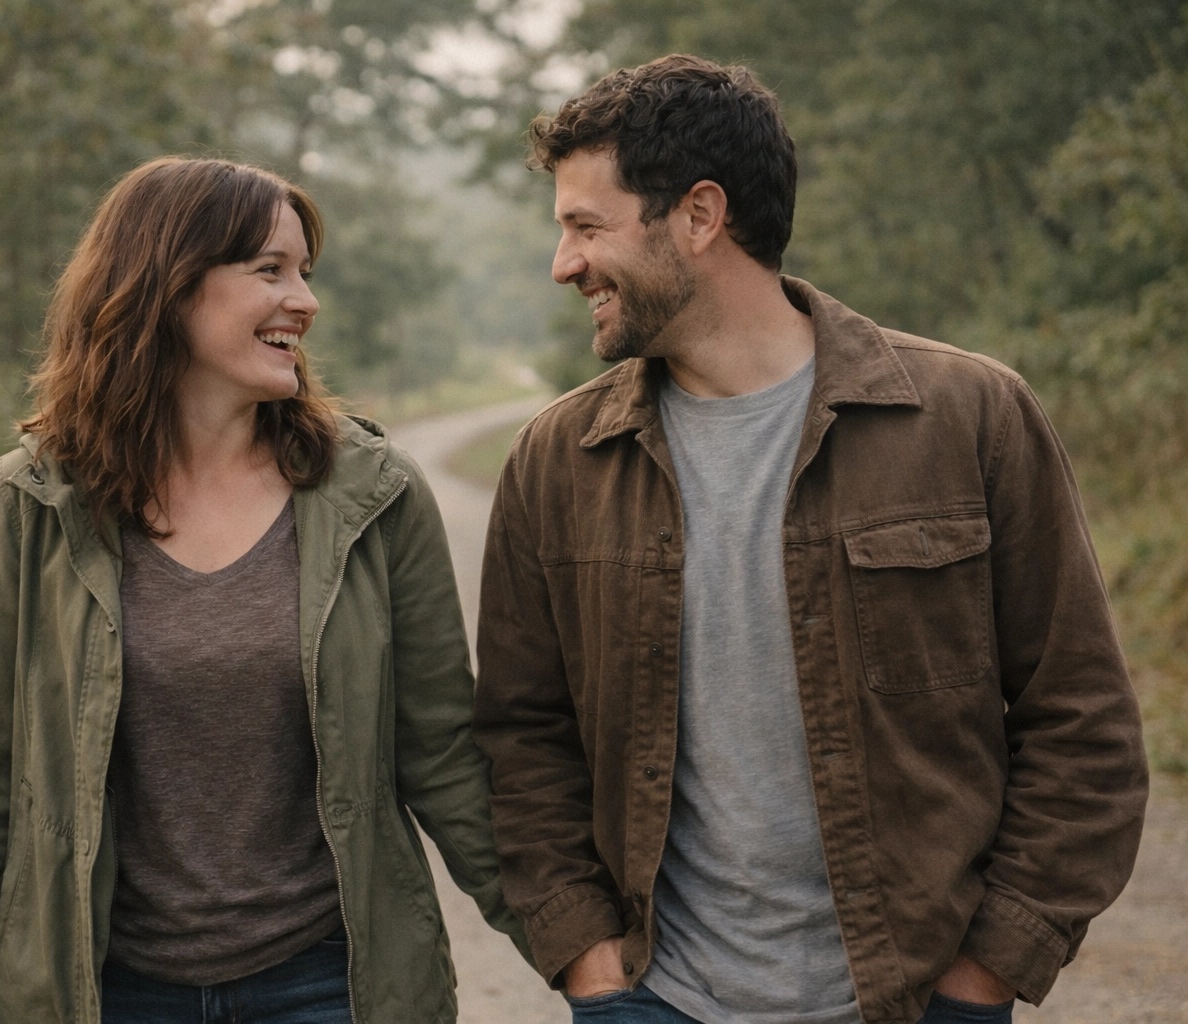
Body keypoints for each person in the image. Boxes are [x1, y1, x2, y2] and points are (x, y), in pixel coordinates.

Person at [472, 54, 1149, 1024]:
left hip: (914, 999)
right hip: (663, 1002)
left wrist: (986, 974)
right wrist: (596, 973)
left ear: (700, 217)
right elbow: (521, 742)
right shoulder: (557, 461)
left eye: (586, 226)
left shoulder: (970, 417)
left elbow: (1083, 723)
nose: (564, 263)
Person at [0, 156, 527, 1024]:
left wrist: (576, 945)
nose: (303, 300)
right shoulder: (30, 504)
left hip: (326, 986)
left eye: (304, 272)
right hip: (104, 991)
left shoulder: (374, 496)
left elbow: (447, 757)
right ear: (166, 284)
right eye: (269, 270)